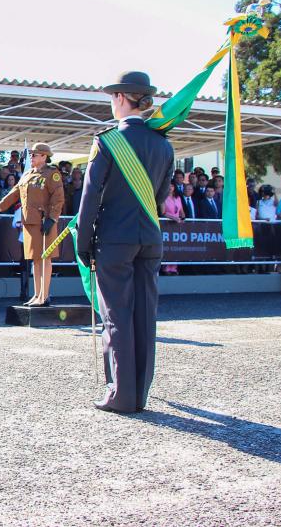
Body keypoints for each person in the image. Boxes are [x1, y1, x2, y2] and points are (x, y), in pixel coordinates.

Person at [74, 71, 174, 414]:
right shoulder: (164, 143)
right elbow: (160, 197)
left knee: (116, 316)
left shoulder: (106, 141)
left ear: (120, 98)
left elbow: (90, 198)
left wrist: (83, 243)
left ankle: (121, 394)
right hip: (150, 238)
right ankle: (140, 394)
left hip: (114, 241)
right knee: (145, 315)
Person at [0, 142, 63, 306]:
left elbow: (58, 198)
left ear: (44, 156)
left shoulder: (52, 174)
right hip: (30, 222)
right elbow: (14, 194)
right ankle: (37, 295)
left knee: (45, 258)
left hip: (45, 221)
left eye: (35, 154)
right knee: (35, 259)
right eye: (31, 154)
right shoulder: (28, 174)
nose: (32, 157)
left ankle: (44, 296)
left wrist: (52, 218)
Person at [161, 183, 185, 275]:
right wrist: (174, 218)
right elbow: (163, 212)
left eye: (171, 186)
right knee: (168, 245)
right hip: (167, 224)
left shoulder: (178, 198)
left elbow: (181, 211)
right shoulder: (163, 198)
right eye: (168, 186)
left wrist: (183, 217)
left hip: (177, 225)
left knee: (176, 245)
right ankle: (166, 267)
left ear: (174, 187)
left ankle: (174, 267)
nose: (170, 188)